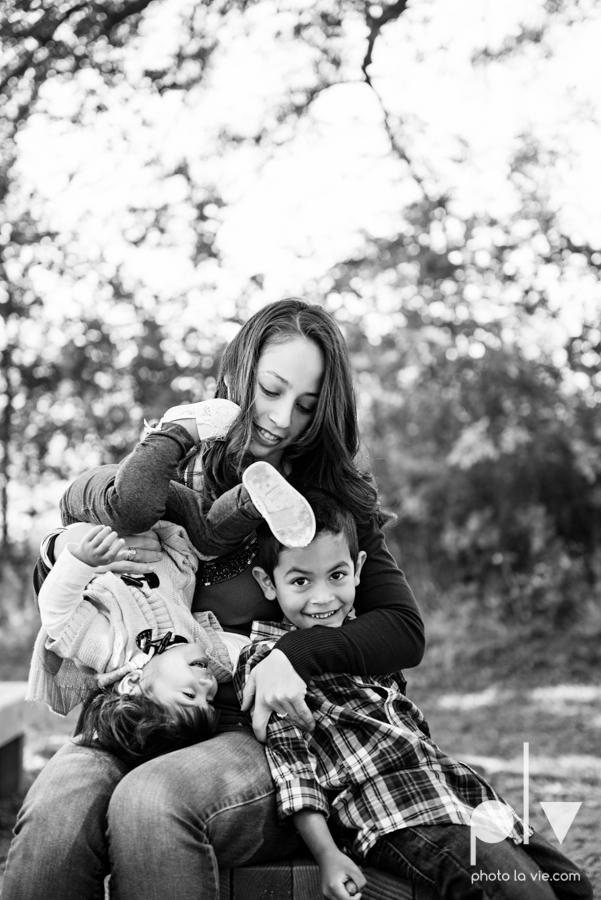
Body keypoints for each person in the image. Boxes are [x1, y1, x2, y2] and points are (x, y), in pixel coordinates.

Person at [4, 299, 425, 900]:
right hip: (137, 714)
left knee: (152, 805)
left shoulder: (328, 503)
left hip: (253, 732)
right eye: (271, 390)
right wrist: (59, 552)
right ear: (238, 373)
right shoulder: (175, 468)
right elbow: (81, 575)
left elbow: (402, 630)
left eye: (306, 406)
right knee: (56, 817)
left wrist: (293, 657)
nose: (282, 419)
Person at [233, 491, 594, 900]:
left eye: (337, 575)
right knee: (516, 893)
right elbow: (293, 770)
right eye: (301, 581)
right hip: (393, 813)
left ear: (358, 570)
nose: (323, 597)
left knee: (573, 887)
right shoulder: (266, 662)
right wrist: (328, 854)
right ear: (268, 582)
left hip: (455, 794)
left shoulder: (366, 637)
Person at [28, 521, 252, 766]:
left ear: (133, 683)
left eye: (190, 695)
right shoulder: (205, 650)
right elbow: (250, 649)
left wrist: (81, 561)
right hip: (177, 533)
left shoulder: (111, 649)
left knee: (135, 496)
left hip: (111, 533)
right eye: (208, 702)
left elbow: (58, 615)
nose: (208, 686)